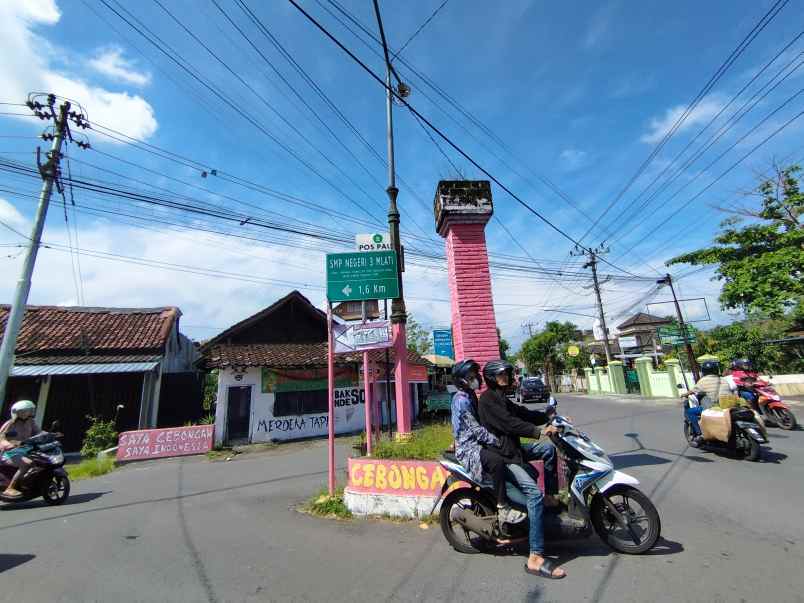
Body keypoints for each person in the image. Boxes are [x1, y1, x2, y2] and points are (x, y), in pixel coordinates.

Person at [478, 360, 566, 580]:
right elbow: (509, 424)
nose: (506, 377)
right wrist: (539, 431)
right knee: (533, 496)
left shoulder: (502, 398)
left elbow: (521, 413)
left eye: (507, 373)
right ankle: (535, 557)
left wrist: (548, 416)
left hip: (514, 449)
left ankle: (550, 496)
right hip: (504, 456)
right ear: (491, 377)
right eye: (501, 375)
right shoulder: (488, 400)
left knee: (548, 452)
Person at [450, 359, 525, 524]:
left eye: (475, 375)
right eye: (471, 376)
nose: (476, 378)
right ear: (462, 380)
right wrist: (496, 440)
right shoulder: (461, 400)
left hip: (474, 443)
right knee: (496, 461)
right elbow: (476, 429)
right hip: (469, 449)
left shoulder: (469, 395)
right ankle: (503, 507)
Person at [683, 360, 731, 444]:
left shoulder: (703, 380)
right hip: (728, 405)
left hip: (715, 407)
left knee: (690, 412)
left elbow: (693, 391)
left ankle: (700, 434)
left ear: (704, 371)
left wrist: (684, 394)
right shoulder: (723, 380)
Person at [0, 400, 42, 498]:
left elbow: (39, 433)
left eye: (28, 410)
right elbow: (1, 438)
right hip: (9, 453)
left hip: (24, 450)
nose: (27, 413)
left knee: (40, 461)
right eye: (24, 411)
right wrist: (9, 444)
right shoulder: (10, 424)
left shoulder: (30, 422)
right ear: (17, 413)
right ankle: (10, 488)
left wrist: (50, 435)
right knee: (26, 464)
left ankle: (27, 484)